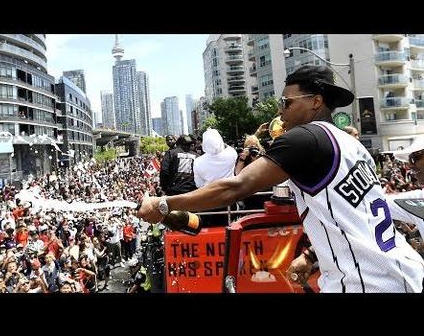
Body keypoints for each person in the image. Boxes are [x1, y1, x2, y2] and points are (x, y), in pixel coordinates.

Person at [137, 65, 424, 293]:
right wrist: (311, 256)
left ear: (315, 102)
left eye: (286, 102)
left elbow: (238, 185)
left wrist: (163, 203)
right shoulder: (353, 145)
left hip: (368, 282)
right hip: (400, 270)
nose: (280, 110)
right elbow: (354, 214)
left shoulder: (305, 137)